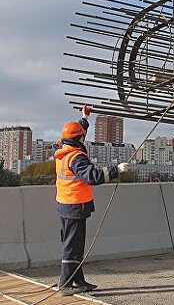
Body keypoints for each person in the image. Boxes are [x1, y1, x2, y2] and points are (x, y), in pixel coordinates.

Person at [53, 105, 129, 296]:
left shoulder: (62, 147)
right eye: (82, 135)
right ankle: (65, 284)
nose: (83, 137)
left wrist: (84, 118)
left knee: (75, 244)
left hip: (65, 204)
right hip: (75, 206)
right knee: (72, 245)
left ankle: (77, 281)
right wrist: (116, 170)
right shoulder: (76, 157)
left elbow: (78, 132)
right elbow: (92, 176)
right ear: (78, 139)